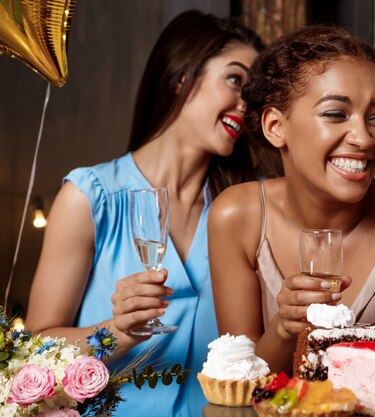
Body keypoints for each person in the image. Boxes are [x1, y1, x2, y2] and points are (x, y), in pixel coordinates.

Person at [208, 25, 375, 415]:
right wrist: (284, 329)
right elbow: (238, 396)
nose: (364, 138)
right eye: (336, 114)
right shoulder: (236, 217)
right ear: (276, 126)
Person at [25, 11, 280, 417]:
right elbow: (35, 351)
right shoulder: (90, 198)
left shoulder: (248, 207)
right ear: (182, 76)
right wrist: (117, 332)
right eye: (235, 80)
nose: (246, 103)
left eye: (254, 94)